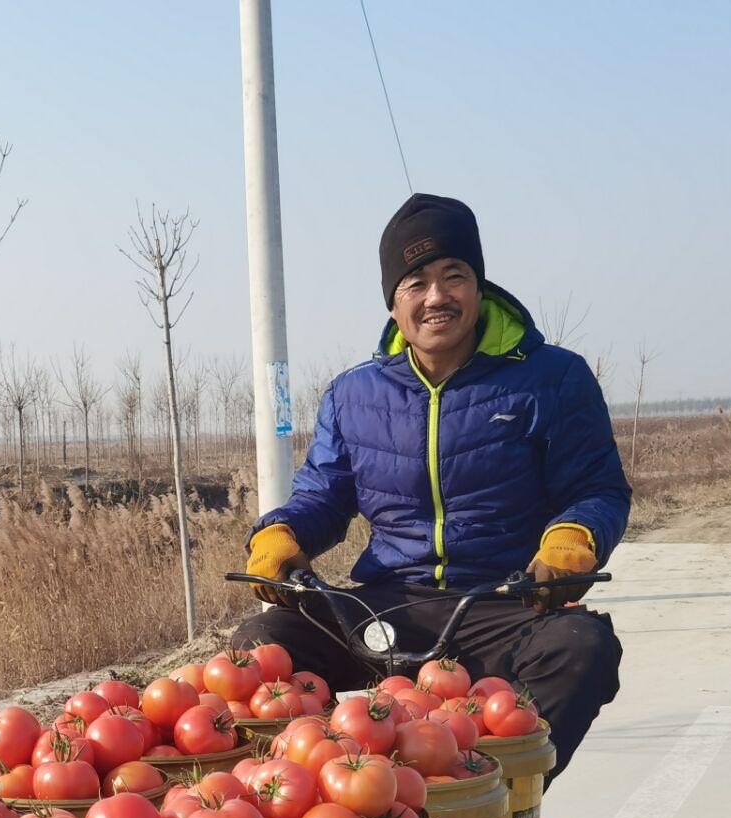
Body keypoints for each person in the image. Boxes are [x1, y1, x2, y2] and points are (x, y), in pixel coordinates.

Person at [238, 193, 629, 776]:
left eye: (455, 275)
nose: (437, 296)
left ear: (479, 286)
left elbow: (598, 488)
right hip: (389, 604)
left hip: (504, 601)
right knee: (261, 647)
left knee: (583, 649)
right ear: (393, 303)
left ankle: (498, 800)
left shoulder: (552, 379)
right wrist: (281, 536)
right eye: (415, 282)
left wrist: (572, 540)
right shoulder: (353, 394)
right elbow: (324, 493)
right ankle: (302, 801)